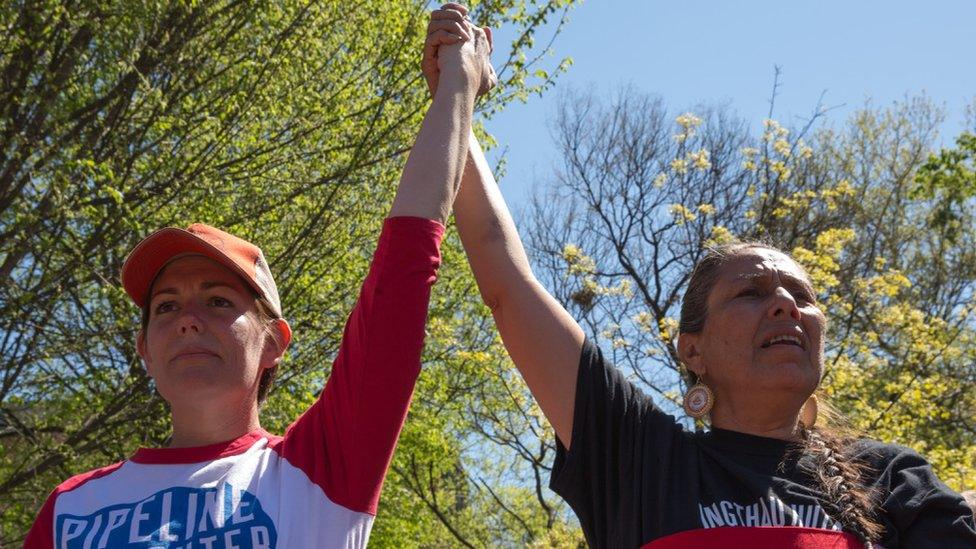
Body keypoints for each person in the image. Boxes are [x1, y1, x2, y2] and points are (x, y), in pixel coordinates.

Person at [423, 4, 976, 548]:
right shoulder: (637, 461)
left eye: (802, 295)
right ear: (693, 351)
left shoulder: (891, 481)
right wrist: (460, 96)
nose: (786, 305)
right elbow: (506, 281)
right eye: (751, 293)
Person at [23, 10, 495, 548]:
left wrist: (457, 86)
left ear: (274, 342)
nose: (187, 321)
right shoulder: (69, 509)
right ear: (144, 350)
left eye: (219, 301)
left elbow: (403, 273)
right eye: (166, 307)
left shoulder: (320, 472)